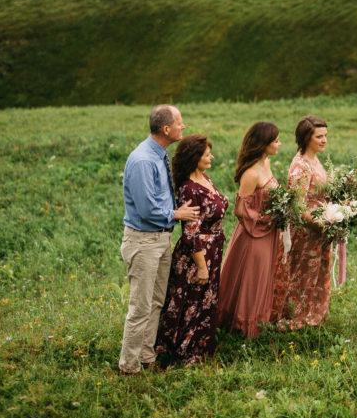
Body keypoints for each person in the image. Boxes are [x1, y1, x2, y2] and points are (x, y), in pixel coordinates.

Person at [118, 105, 200, 375]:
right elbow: (146, 209)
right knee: (140, 306)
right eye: (179, 122)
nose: (183, 126)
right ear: (166, 129)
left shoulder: (159, 154)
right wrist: (178, 213)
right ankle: (128, 367)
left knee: (155, 302)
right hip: (144, 241)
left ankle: (146, 356)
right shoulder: (143, 160)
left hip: (160, 240)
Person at [155, 134, 228, 365]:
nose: (211, 157)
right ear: (195, 157)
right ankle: (182, 352)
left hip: (212, 249)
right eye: (207, 154)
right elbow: (190, 233)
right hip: (197, 254)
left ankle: (200, 349)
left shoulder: (204, 178)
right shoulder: (189, 188)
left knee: (205, 300)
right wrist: (201, 266)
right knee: (191, 301)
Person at [218, 122, 281, 338]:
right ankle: (242, 327)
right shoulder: (251, 173)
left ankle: (258, 321)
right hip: (253, 234)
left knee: (262, 276)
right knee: (251, 277)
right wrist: (267, 218)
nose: (279, 144)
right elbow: (240, 209)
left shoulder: (267, 163)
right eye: (275, 141)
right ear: (264, 144)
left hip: (268, 232)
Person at [271, 116, 335, 329]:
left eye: (325, 135)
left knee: (318, 273)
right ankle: (297, 317)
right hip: (306, 231)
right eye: (319, 136)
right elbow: (298, 206)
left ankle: (313, 314)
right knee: (302, 276)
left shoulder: (315, 159)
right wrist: (319, 224)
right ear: (306, 138)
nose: (324, 140)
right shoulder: (301, 166)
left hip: (321, 227)